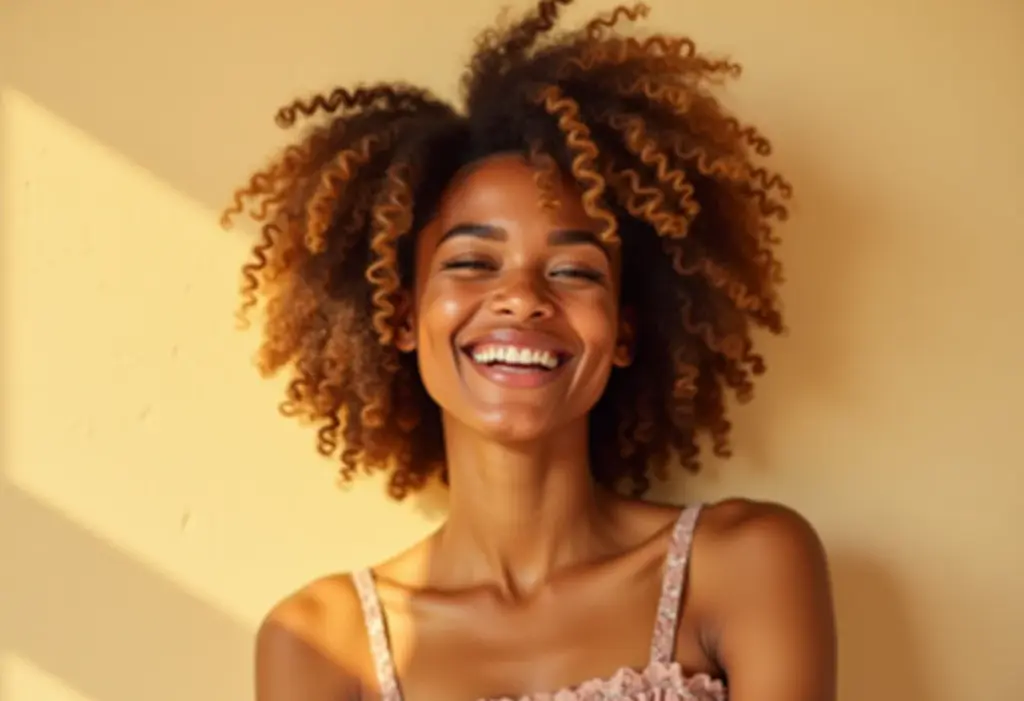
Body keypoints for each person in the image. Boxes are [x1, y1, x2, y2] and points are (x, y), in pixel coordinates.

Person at [222, 1, 836, 699]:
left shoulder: (743, 562)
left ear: (625, 331)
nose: (522, 298)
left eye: (574, 271)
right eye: (472, 263)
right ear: (398, 314)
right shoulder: (321, 642)